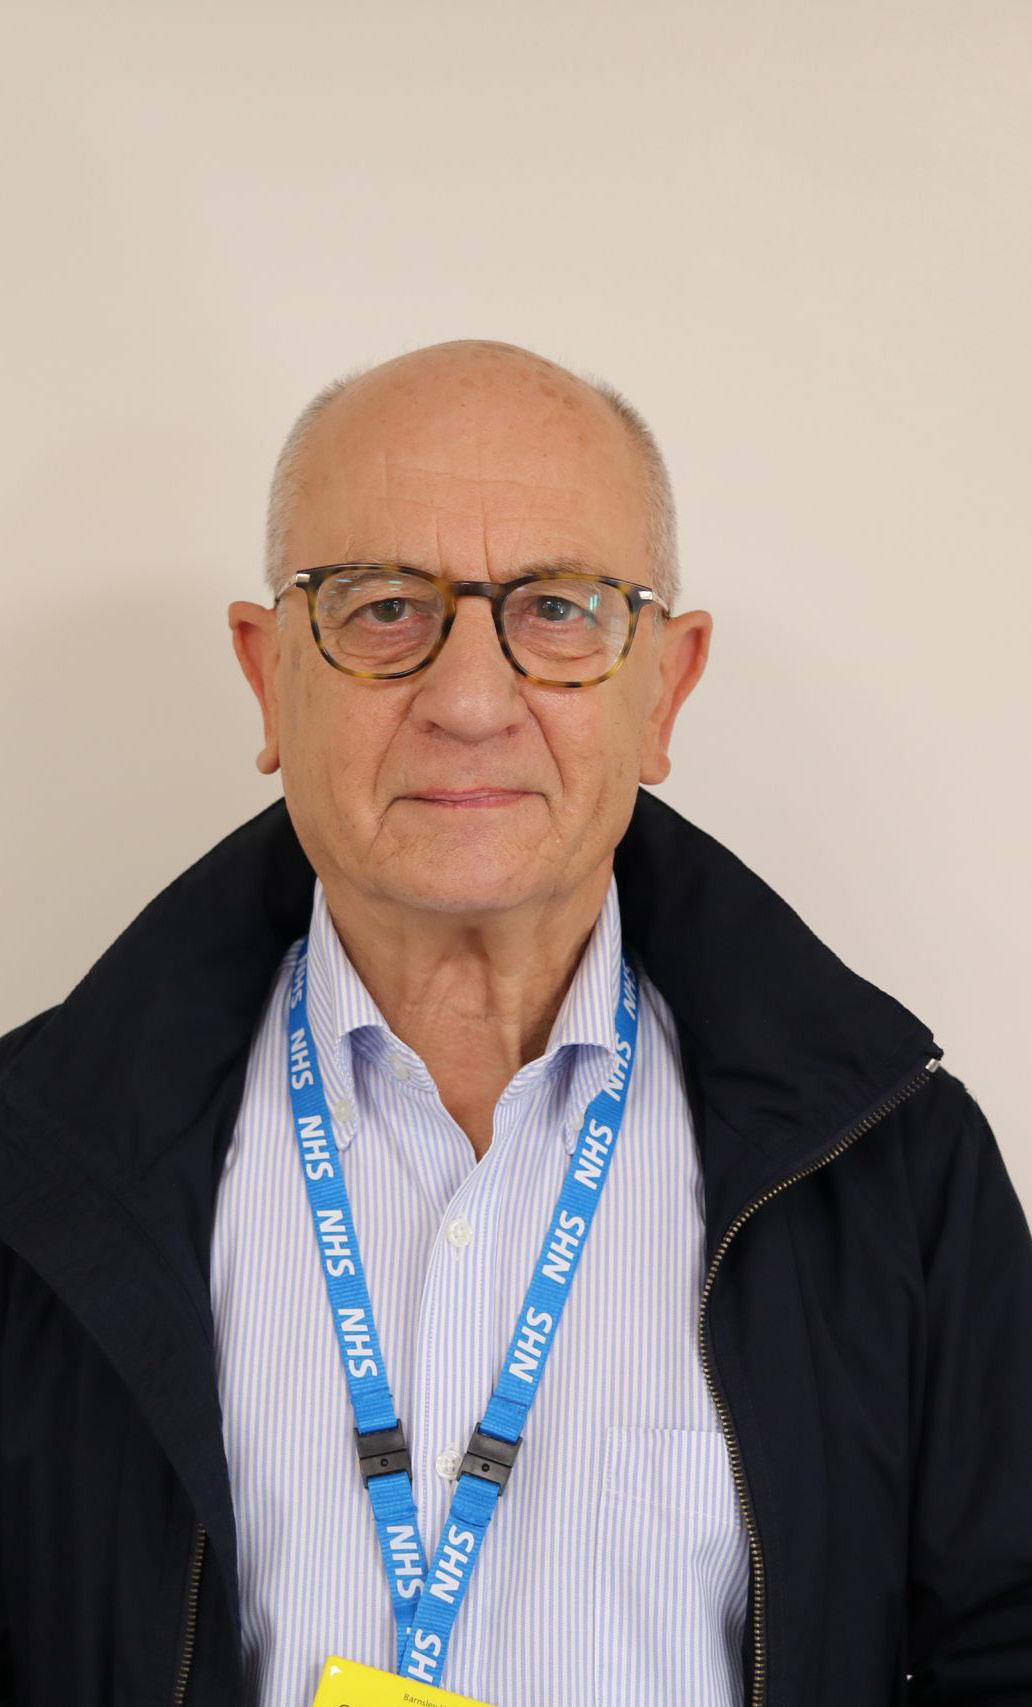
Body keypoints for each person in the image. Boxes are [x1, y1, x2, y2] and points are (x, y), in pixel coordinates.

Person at [0, 339, 1029, 1707]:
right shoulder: (32, 1167)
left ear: (665, 687)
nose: (472, 702)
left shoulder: (896, 1173)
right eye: (382, 609)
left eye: (557, 611)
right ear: (266, 676)